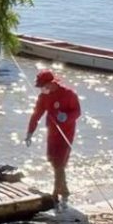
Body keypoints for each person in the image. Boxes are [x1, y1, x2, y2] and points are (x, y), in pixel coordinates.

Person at [25, 69, 81, 205]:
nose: (42, 89)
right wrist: (30, 132)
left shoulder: (69, 94)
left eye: (43, 86)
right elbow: (36, 114)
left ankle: (55, 194)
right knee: (52, 160)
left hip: (66, 132)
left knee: (59, 163)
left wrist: (67, 117)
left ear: (51, 83)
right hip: (52, 131)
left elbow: (77, 111)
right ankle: (65, 189)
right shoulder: (44, 97)